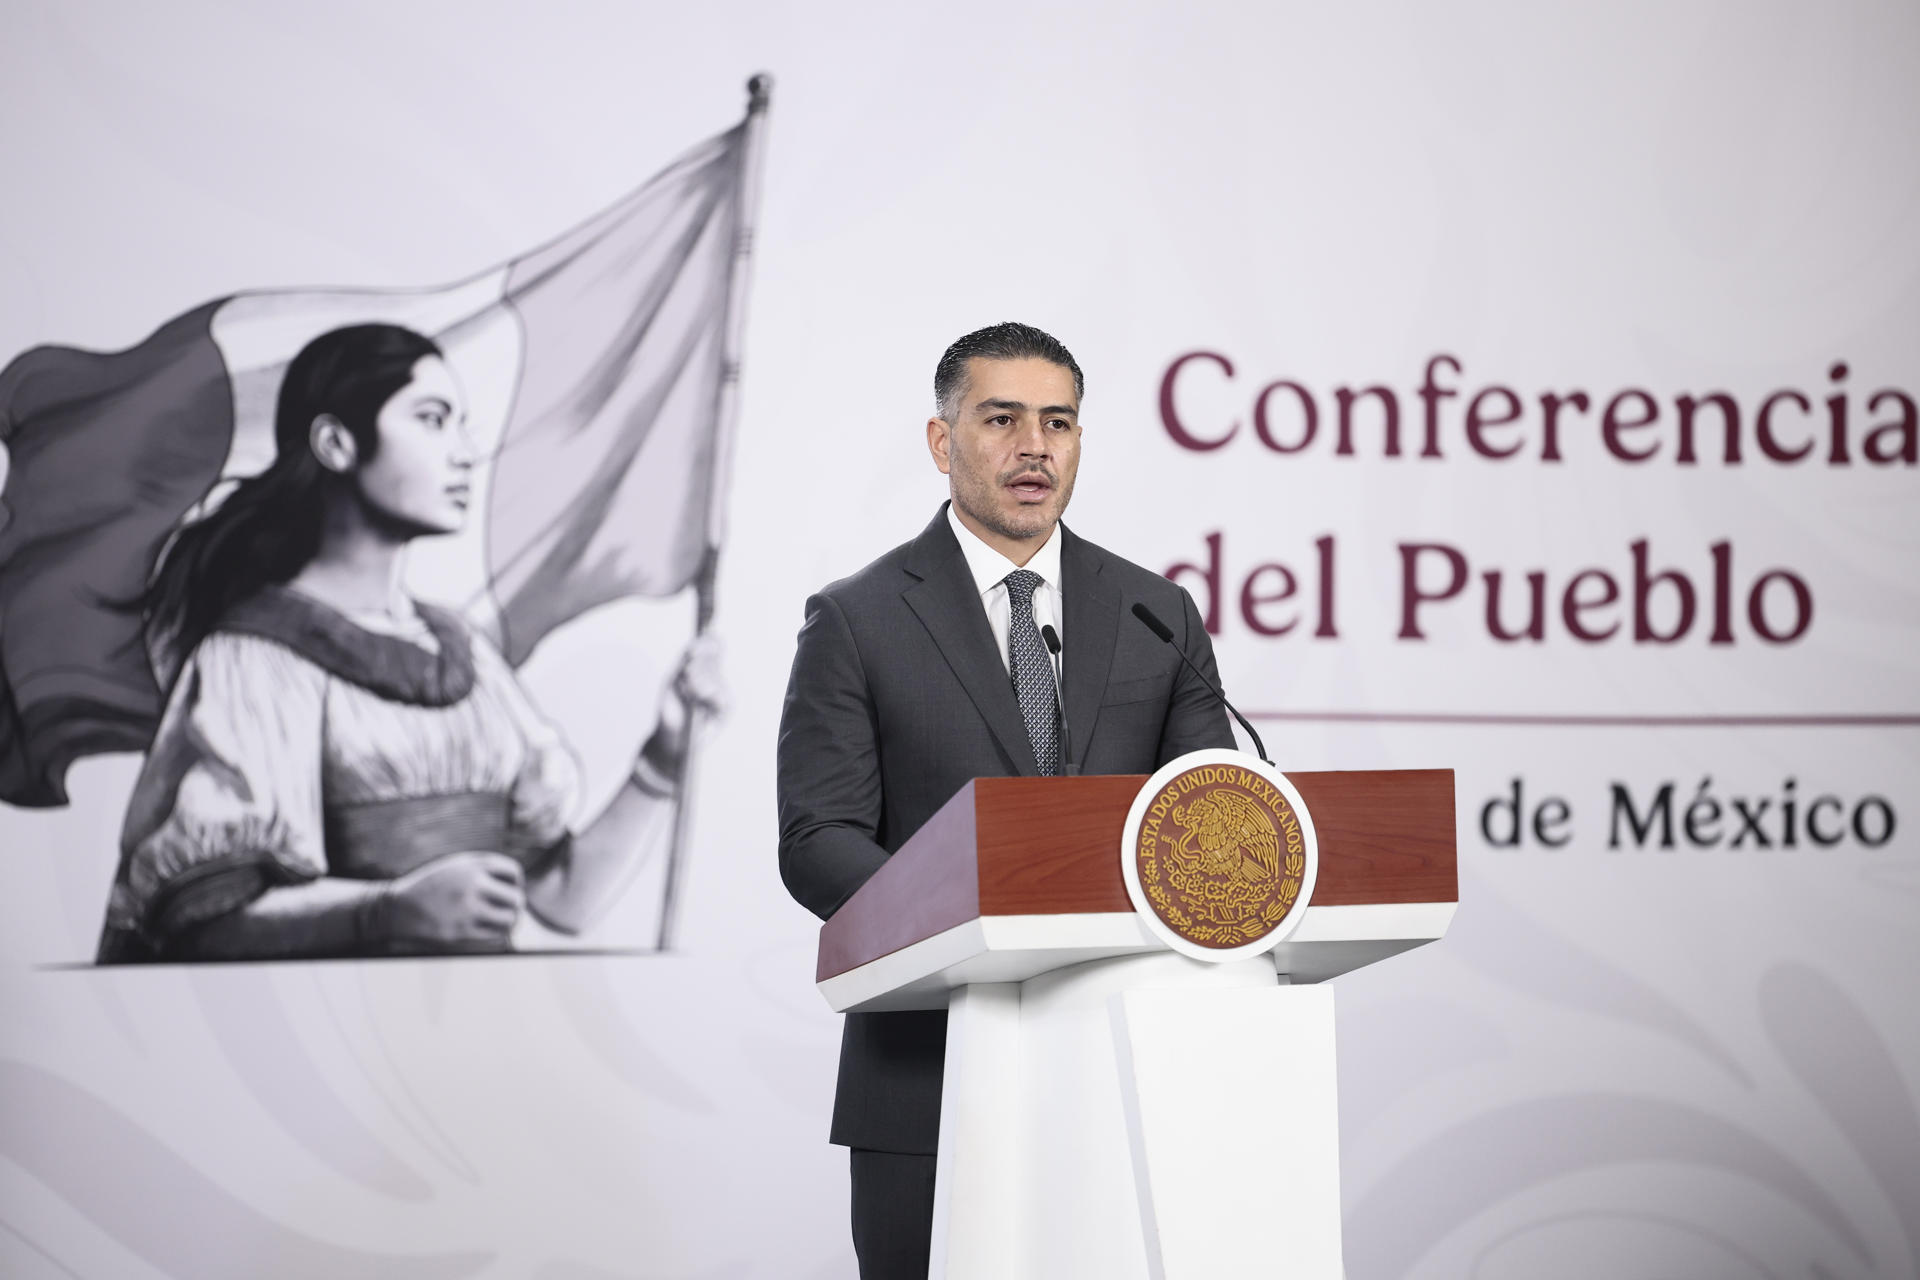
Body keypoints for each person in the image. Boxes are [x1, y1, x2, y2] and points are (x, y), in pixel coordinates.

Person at [776, 322, 1235, 1278]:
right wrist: (979, 916)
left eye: (1059, 422)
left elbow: (1206, 825)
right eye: (1003, 419)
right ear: (944, 443)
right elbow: (819, 839)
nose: (1036, 446)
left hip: (1126, 1066)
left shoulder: (1157, 612)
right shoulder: (857, 620)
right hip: (928, 1077)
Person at [98, 322, 715, 962]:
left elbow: (564, 897)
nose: (463, 452)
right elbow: (202, 925)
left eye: (459, 423)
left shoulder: (466, 654)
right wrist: (384, 912)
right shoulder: (253, 658)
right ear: (336, 443)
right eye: (432, 418)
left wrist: (664, 757)